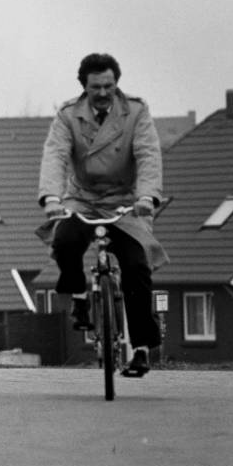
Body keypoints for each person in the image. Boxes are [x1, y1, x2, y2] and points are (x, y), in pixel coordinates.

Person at [37, 52, 168, 377]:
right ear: (84, 86)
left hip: (126, 202)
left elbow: (148, 154)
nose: (103, 92)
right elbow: (55, 154)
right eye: (96, 87)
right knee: (65, 240)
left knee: (137, 266)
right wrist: (52, 197)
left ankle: (140, 349)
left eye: (109, 85)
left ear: (116, 84)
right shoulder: (68, 115)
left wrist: (147, 196)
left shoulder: (136, 112)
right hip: (83, 198)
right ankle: (79, 294)